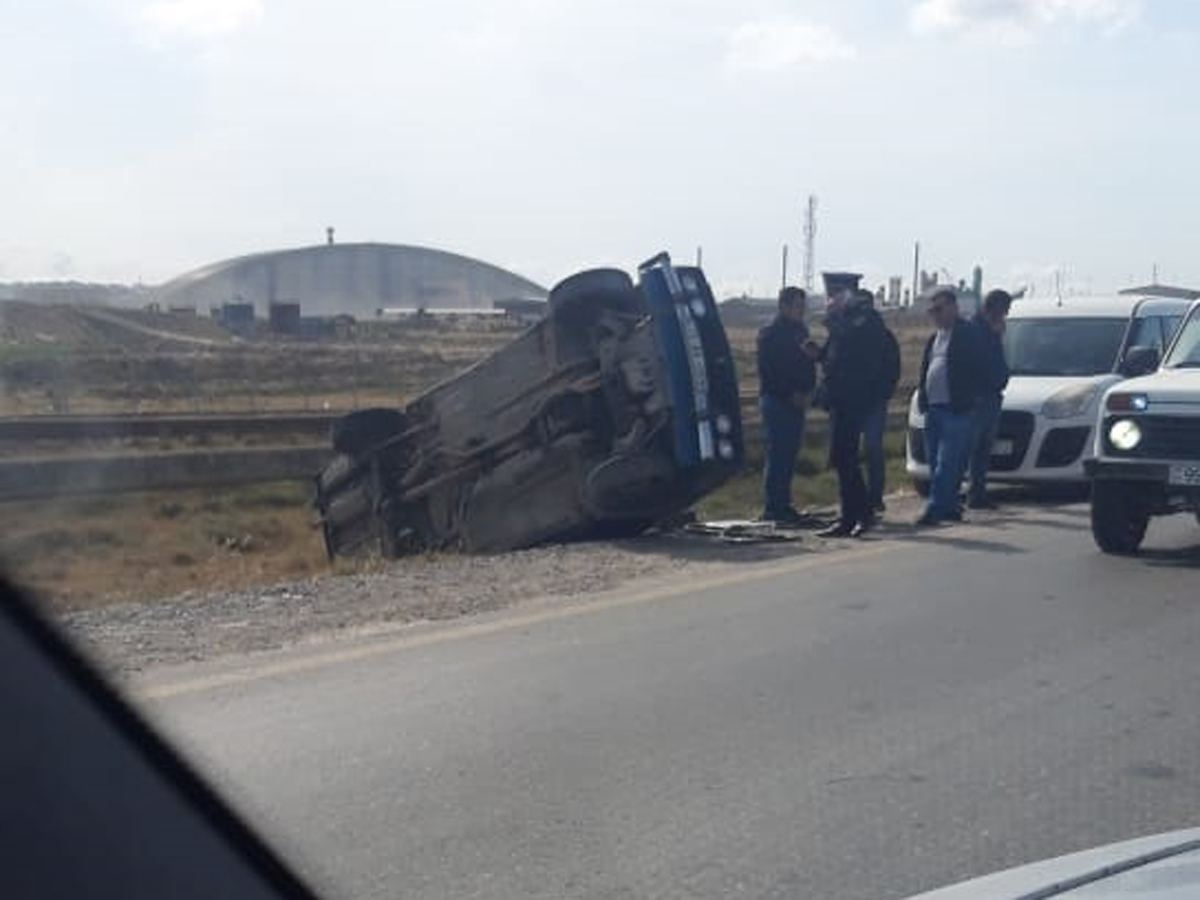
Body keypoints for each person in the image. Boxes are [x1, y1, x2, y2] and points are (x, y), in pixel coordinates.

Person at [815, 287, 894, 538]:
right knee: (841, 458)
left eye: (835, 298)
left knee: (845, 456)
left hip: (856, 398)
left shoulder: (867, 321)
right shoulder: (845, 322)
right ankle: (849, 516)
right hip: (839, 398)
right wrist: (818, 354)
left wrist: (835, 322)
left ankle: (863, 513)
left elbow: (857, 352)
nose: (832, 302)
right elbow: (833, 355)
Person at [916, 289, 983, 526]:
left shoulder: (968, 335)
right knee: (935, 462)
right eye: (932, 310)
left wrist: (971, 397)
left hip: (956, 408)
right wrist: (923, 396)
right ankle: (951, 505)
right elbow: (926, 369)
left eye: (940, 309)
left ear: (953, 308)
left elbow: (980, 368)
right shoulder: (935, 338)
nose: (936, 314)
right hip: (934, 407)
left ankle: (935, 508)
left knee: (947, 462)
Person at [756, 286, 817, 524]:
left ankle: (784, 503)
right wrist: (789, 393)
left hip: (798, 401)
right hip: (777, 400)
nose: (801, 311)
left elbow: (808, 365)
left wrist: (809, 390)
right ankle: (774, 506)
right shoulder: (770, 334)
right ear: (784, 306)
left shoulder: (801, 332)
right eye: (797, 306)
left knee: (790, 454)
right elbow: (769, 372)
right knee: (778, 453)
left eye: (803, 307)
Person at [965, 289, 1012, 510]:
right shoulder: (976, 331)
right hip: (979, 396)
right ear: (992, 308)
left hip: (992, 395)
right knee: (972, 448)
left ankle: (978, 492)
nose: (1004, 316)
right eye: (1003, 311)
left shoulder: (991, 331)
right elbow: (980, 362)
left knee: (984, 450)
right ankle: (965, 493)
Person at [856, 289, 901, 514]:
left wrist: (884, 392)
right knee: (852, 451)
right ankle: (856, 496)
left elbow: (893, 367)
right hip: (853, 401)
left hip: (874, 400)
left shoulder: (883, 335)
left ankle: (875, 496)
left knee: (873, 448)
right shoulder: (850, 332)